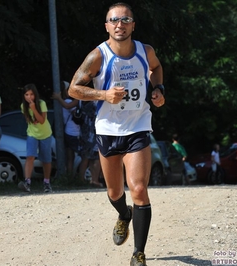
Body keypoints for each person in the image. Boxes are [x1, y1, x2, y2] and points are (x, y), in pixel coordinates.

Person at [68, 3, 165, 265]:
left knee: (139, 188)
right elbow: (74, 90)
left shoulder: (146, 52)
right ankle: (124, 215)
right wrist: (103, 94)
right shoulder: (98, 56)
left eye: (125, 20)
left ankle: (138, 254)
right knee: (114, 192)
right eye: (114, 20)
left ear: (133, 25)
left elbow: (156, 69)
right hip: (108, 131)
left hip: (138, 127)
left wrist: (159, 90)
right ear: (107, 26)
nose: (119, 25)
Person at [18, 84, 53, 193]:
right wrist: (31, 114)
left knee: (46, 160)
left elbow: (42, 120)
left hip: (45, 134)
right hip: (32, 134)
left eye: (31, 94)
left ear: (35, 95)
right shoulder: (23, 106)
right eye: (27, 94)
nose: (29, 97)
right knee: (30, 157)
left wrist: (33, 108)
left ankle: (46, 182)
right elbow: (29, 120)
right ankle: (27, 181)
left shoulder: (41, 104)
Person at [52, 81, 80, 177]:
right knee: (85, 155)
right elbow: (73, 111)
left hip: (67, 132)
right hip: (73, 132)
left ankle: (69, 176)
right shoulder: (67, 102)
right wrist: (78, 99)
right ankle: (79, 177)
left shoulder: (62, 102)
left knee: (70, 156)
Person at [78, 101, 102, 187]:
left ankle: (87, 180)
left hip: (86, 132)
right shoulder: (94, 103)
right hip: (93, 132)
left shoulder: (83, 100)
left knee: (88, 157)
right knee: (93, 157)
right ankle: (92, 180)